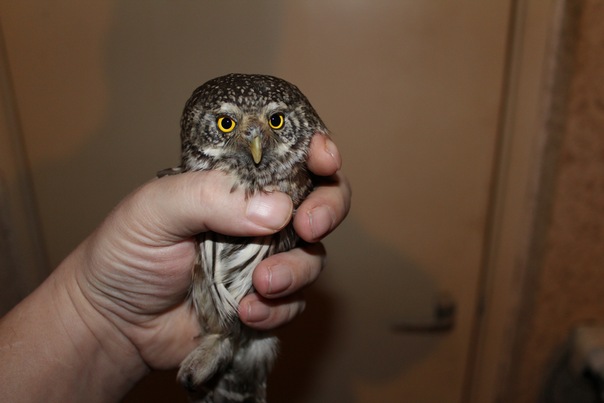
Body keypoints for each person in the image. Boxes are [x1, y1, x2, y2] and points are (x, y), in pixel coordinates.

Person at [0, 134, 351, 402]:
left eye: (275, 122)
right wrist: (101, 315)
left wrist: (103, 320)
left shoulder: (293, 178)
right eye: (226, 124)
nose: (255, 140)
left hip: (233, 331)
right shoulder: (199, 186)